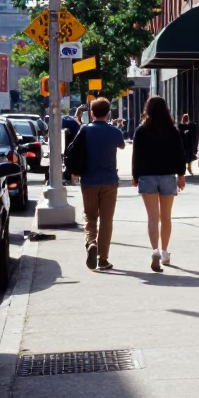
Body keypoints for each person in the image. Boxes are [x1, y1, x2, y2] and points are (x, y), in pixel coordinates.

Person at [131, 96, 187, 272]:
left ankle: (154, 250)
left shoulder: (141, 131)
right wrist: (181, 174)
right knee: (167, 217)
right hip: (168, 177)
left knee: (153, 218)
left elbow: (136, 155)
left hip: (147, 176)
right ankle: (164, 252)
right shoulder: (172, 130)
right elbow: (180, 153)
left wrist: (135, 175)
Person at [74, 97, 125, 273]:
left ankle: (91, 242)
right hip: (110, 180)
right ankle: (103, 259)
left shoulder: (85, 130)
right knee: (106, 220)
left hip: (89, 180)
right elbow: (122, 146)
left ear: (92, 113)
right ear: (109, 113)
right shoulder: (114, 131)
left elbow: (75, 150)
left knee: (90, 216)